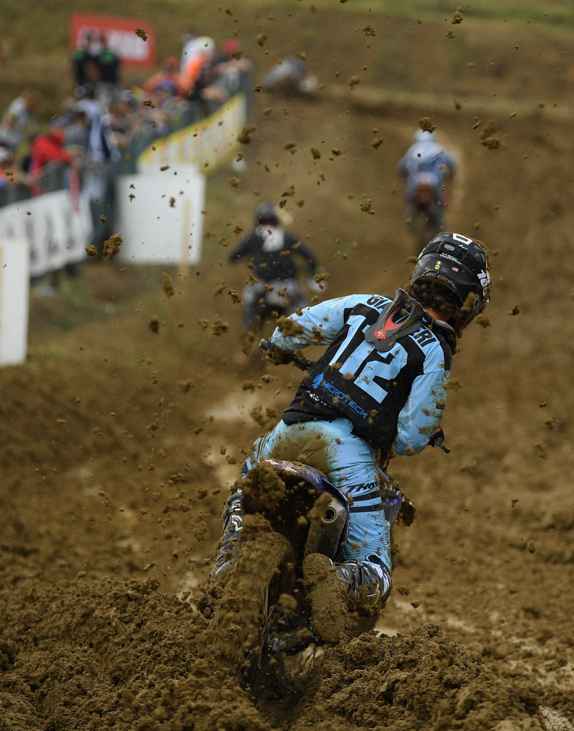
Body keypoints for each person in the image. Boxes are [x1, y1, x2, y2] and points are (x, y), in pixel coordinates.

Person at [209, 232, 492, 641]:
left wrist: (278, 349)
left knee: (244, 487)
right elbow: (411, 438)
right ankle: (334, 580)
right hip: (348, 455)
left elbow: (291, 329)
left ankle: (226, 565)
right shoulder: (435, 352)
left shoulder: (365, 304)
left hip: (290, 430)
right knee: (377, 572)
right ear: (468, 304)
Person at [228, 202, 323, 341]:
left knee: (248, 301)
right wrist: (312, 269)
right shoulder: (287, 236)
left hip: (262, 286)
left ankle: (247, 333)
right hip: (288, 286)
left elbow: (232, 256)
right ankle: (308, 335)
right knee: (303, 308)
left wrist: (247, 258)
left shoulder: (252, 236)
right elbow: (309, 256)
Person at [397, 129, 457, 249]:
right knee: (441, 210)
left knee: (409, 203)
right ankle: (440, 234)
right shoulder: (439, 148)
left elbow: (401, 168)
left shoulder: (412, 150)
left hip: (414, 186)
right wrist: (450, 176)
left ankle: (409, 227)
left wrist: (403, 177)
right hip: (435, 187)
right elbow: (453, 163)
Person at [0, 88, 40, 168]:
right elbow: (9, 121)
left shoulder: (28, 111)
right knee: (4, 163)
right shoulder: (17, 107)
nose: (34, 107)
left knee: (10, 164)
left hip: (14, 142)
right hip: (6, 139)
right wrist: (21, 127)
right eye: (34, 104)